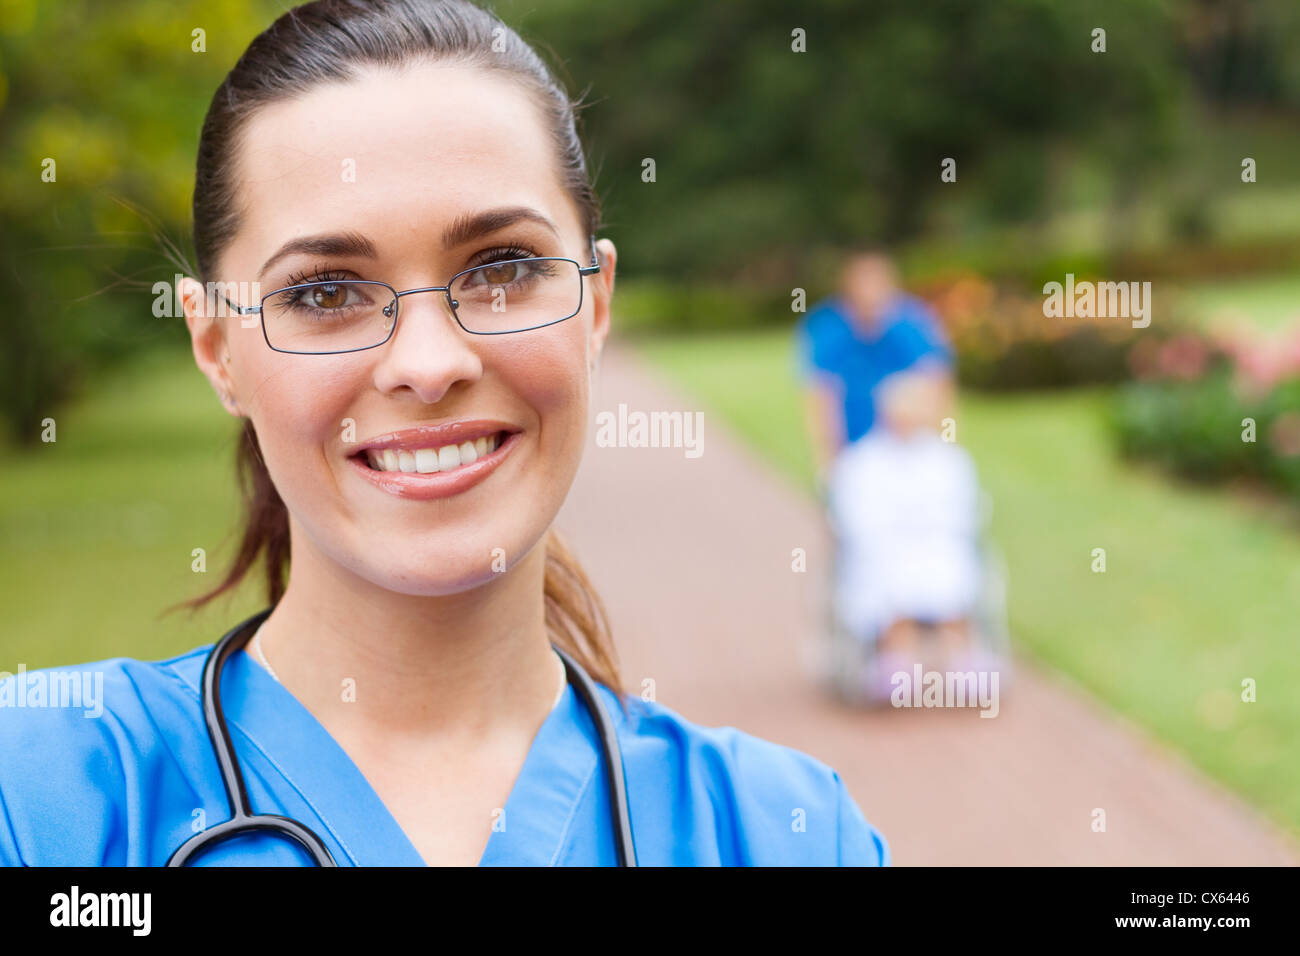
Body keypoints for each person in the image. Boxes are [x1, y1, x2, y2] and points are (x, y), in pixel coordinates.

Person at [0, 0, 888, 867]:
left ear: (596, 301)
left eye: (501, 269)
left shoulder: (783, 832)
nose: (427, 364)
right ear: (216, 344)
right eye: (323, 292)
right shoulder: (42, 797)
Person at [825, 370, 982, 683]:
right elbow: (855, 516)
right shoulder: (862, 461)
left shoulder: (947, 459)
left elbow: (962, 511)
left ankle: (963, 660)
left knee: (949, 573)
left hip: (937, 544)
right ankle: (898, 661)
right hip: (885, 548)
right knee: (892, 580)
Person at [797, 250, 954, 487]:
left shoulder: (913, 322)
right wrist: (829, 461)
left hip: (908, 446)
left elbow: (938, 386)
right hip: (855, 446)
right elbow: (822, 397)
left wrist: (945, 448)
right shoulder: (826, 328)